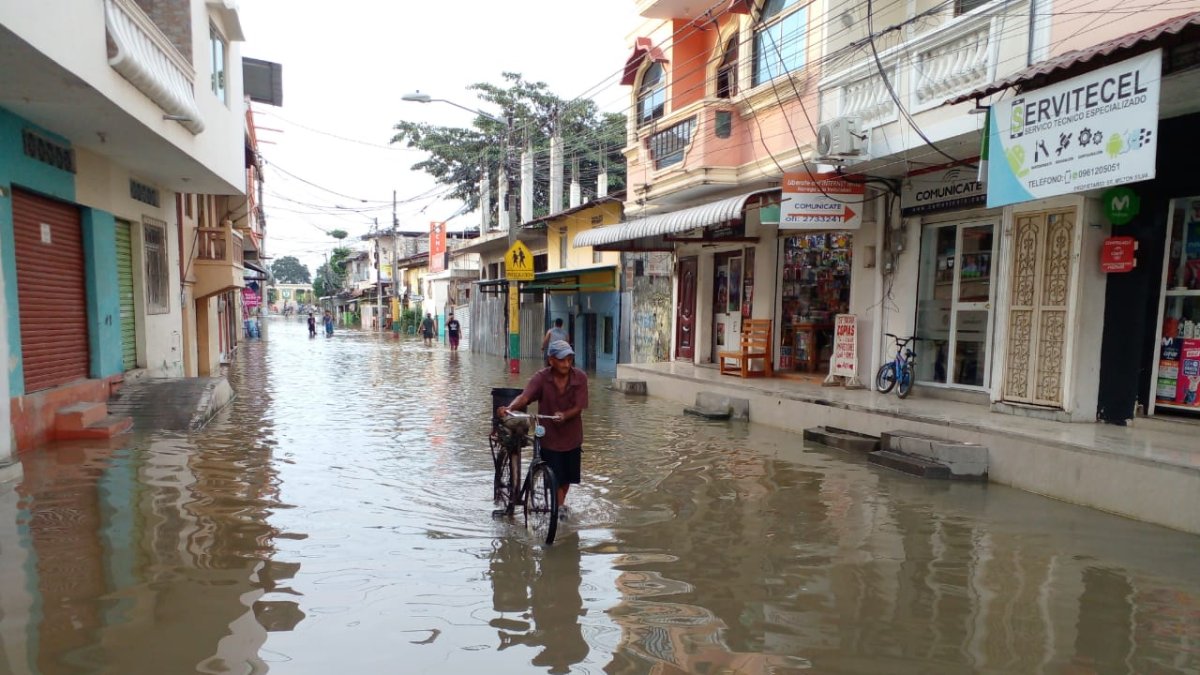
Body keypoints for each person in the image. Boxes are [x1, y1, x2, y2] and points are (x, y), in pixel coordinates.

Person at [497, 340, 588, 517]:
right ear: (551, 360)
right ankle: (558, 508)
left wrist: (565, 415)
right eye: (562, 360)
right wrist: (510, 408)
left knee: (567, 477)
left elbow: (579, 406)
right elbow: (525, 397)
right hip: (550, 436)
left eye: (569, 359)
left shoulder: (580, 378)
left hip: (572, 435)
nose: (566, 364)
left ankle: (559, 506)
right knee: (554, 475)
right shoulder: (541, 378)